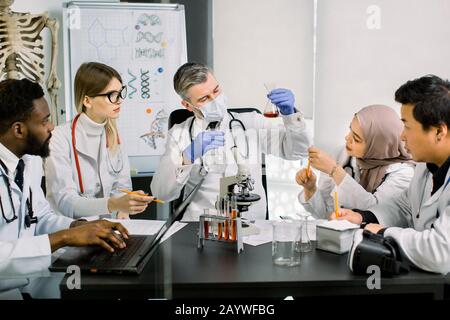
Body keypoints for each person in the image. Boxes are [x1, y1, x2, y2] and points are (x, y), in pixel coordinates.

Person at [0, 79, 129, 298]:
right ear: (19, 130)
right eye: (44, 121)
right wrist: (64, 238)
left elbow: (40, 217)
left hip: (29, 281)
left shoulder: (28, 162)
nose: (51, 127)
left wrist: (78, 227)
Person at [151, 62, 312, 221]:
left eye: (216, 91)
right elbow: (161, 193)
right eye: (204, 98)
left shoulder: (251, 122)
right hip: (200, 225)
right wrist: (187, 157)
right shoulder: (180, 134)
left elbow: (297, 151)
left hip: (253, 227)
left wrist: (290, 116)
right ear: (188, 105)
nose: (215, 100)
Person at [334, 75, 450, 274]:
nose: (402, 135)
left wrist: (385, 232)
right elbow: (405, 206)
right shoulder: (425, 166)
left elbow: (441, 252)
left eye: (407, 125)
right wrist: (363, 217)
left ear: (439, 132)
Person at [44, 62, 153, 220]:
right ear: (87, 101)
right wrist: (115, 204)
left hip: (108, 230)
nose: (119, 100)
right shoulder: (59, 138)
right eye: (112, 95)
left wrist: (125, 209)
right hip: (70, 234)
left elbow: (122, 187)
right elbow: (65, 203)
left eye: (120, 92)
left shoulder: (113, 134)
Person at [296, 105, 414, 219]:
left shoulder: (403, 173)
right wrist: (310, 189)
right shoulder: (342, 154)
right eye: (350, 130)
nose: (347, 138)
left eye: (356, 139)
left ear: (378, 146)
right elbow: (326, 214)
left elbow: (377, 214)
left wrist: (334, 171)